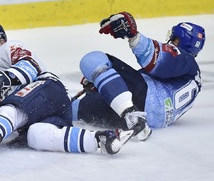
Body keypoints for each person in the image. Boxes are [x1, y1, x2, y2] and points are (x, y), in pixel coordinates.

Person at [0, 21, 133, 159]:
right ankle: (102, 139)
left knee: (12, 108)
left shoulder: (9, 49)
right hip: (38, 117)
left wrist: (8, 77)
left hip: (48, 89)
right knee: (37, 136)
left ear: (1, 41)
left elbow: (31, 64)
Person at [71, 12, 205, 141]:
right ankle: (130, 115)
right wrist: (104, 84)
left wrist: (133, 36)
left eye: (174, 38)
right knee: (69, 108)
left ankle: (131, 114)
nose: (170, 41)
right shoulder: (192, 76)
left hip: (140, 101)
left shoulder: (186, 60)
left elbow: (158, 60)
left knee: (92, 60)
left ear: (179, 42)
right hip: (145, 116)